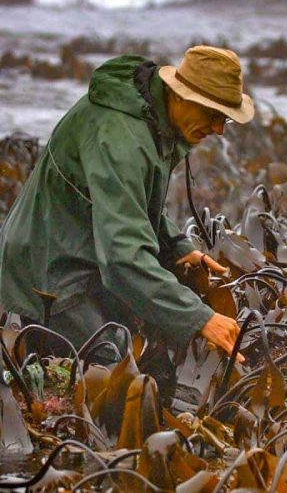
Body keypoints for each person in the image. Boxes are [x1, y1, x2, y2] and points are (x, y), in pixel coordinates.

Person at [0, 45, 253, 400]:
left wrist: (177, 247)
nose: (218, 129)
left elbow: (132, 206)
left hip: (87, 253)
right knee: (114, 375)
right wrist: (200, 318)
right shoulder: (123, 137)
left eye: (224, 118)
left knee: (151, 359)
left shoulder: (153, 116)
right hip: (47, 270)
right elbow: (122, 260)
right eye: (213, 113)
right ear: (179, 95)